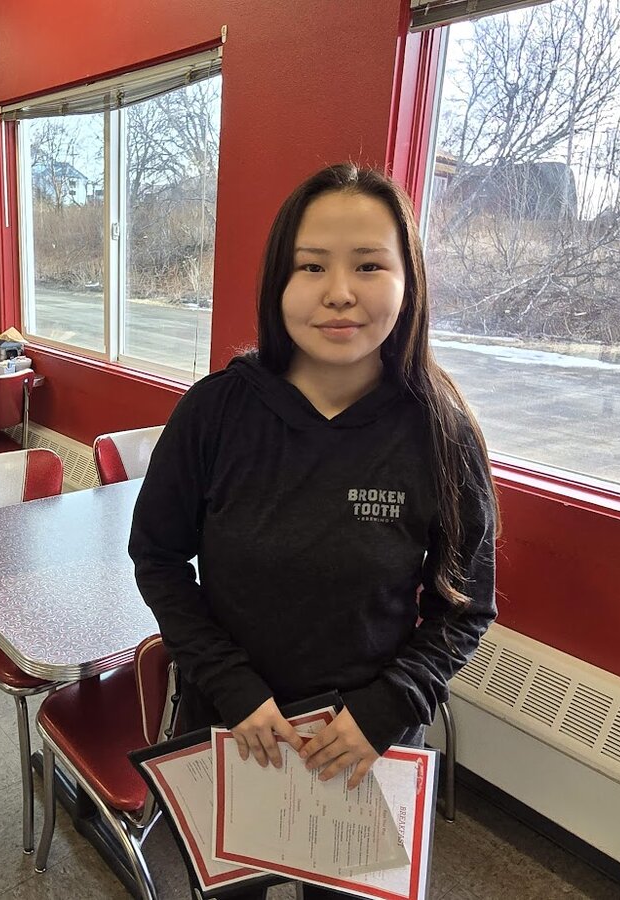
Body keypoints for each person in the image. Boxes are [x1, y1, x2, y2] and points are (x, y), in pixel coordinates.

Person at [129, 163, 499, 899]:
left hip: (368, 748)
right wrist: (234, 688)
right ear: (279, 282)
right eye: (311, 266)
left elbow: (465, 609)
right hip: (237, 731)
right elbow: (160, 559)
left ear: (408, 282)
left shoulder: (440, 433)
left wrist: (386, 710)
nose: (339, 291)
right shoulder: (215, 414)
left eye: (369, 264)